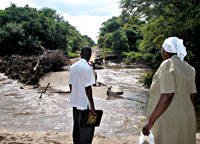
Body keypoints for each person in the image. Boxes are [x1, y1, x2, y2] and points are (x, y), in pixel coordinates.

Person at [142, 37, 197, 144]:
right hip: (187, 116)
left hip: (167, 117)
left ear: (166, 51)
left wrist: (150, 121)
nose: (161, 52)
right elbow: (192, 96)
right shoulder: (189, 68)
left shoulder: (168, 64)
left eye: (162, 49)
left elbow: (167, 94)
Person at [69, 46, 96, 144]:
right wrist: (92, 106)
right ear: (89, 56)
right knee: (87, 130)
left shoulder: (73, 67)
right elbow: (88, 88)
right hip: (84, 104)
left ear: (80, 54)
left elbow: (70, 85)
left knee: (77, 127)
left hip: (75, 102)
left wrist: (75, 95)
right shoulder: (88, 68)